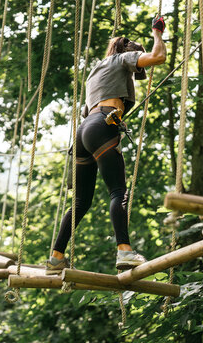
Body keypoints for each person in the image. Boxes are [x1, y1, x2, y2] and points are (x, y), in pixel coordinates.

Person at [45, 16, 167, 274]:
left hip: (84, 132)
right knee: (117, 191)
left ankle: (56, 258)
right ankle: (124, 250)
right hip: (102, 125)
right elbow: (158, 57)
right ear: (130, 55)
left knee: (80, 201)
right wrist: (157, 33)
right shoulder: (122, 59)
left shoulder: (96, 70)